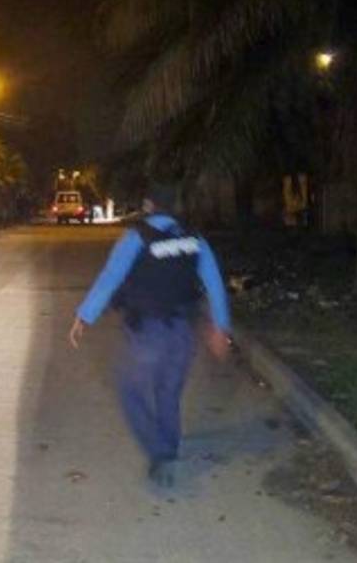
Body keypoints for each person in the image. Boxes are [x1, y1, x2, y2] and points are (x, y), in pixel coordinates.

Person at [68, 183, 232, 489]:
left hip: (147, 333)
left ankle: (161, 453)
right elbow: (214, 283)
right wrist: (220, 328)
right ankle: (169, 448)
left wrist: (85, 315)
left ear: (148, 205)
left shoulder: (137, 237)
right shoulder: (194, 239)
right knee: (168, 393)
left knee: (129, 390)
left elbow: (110, 277)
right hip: (182, 332)